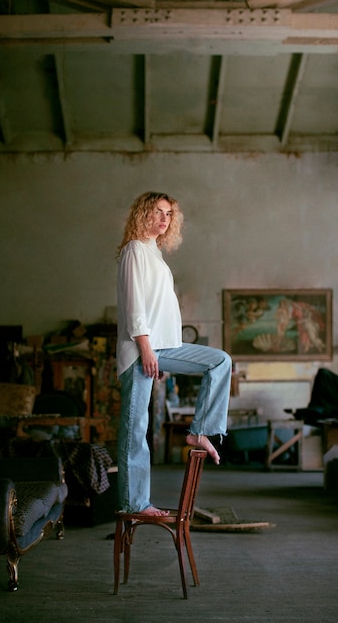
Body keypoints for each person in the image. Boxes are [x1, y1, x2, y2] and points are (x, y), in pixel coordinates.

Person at [116, 191, 232, 516]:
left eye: (168, 213)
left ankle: (199, 432)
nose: (164, 218)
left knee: (220, 361)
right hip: (141, 349)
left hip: (161, 347)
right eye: (157, 211)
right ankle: (134, 504)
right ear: (143, 214)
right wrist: (145, 348)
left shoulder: (154, 254)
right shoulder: (134, 250)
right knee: (135, 428)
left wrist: (160, 355)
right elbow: (134, 305)